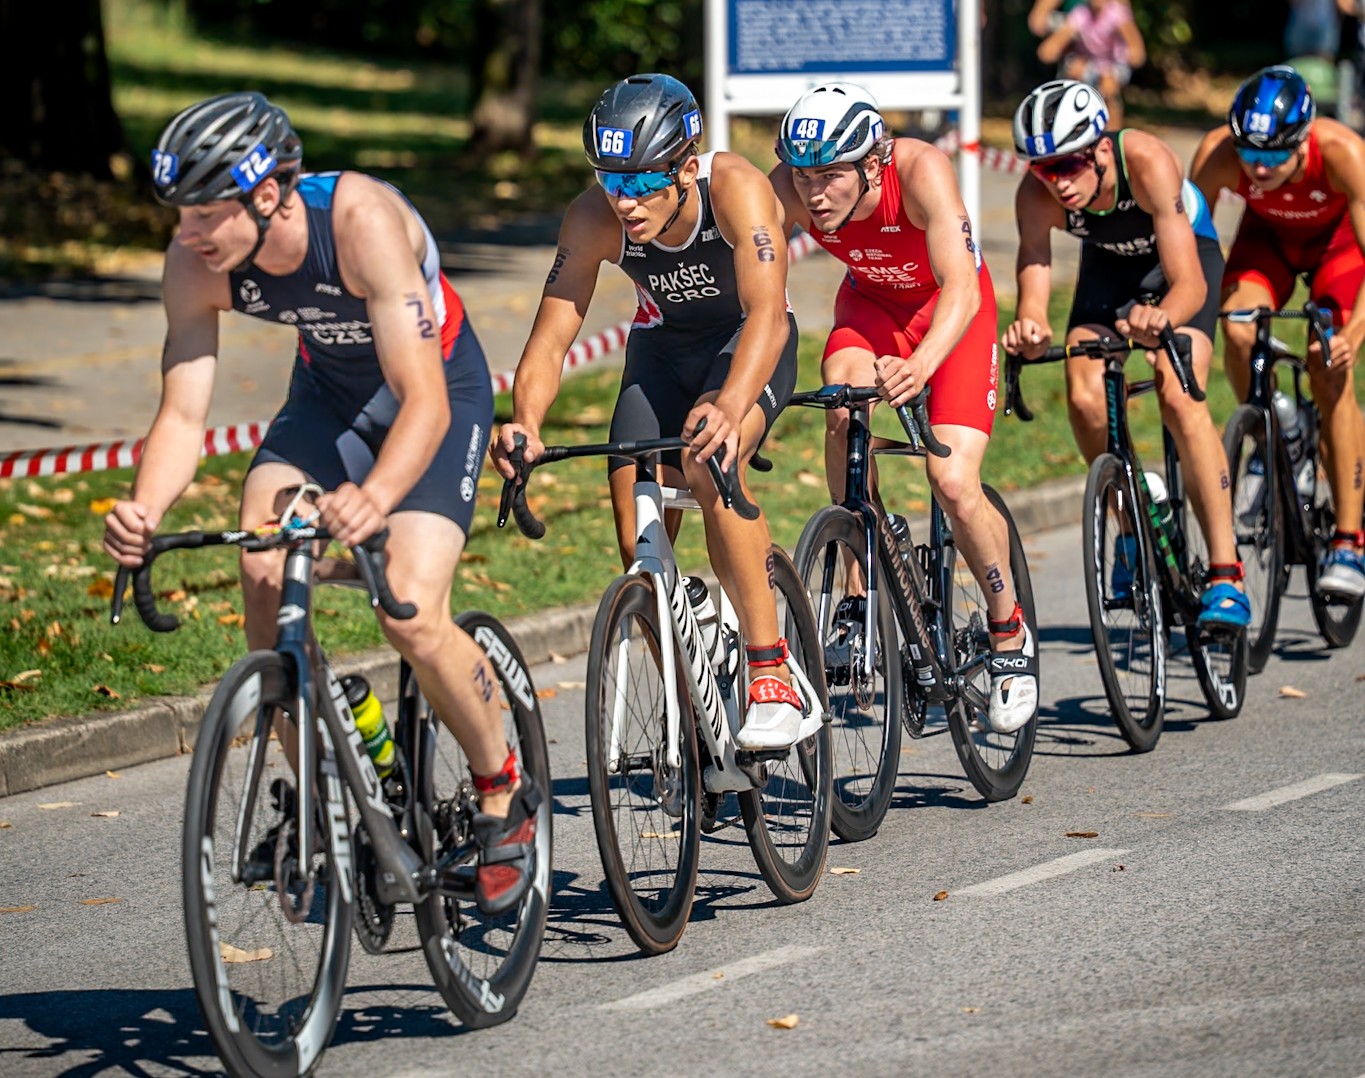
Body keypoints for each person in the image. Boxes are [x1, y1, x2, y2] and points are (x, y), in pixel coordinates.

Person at [101, 92, 538, 915]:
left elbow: (425, 402)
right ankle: (321, 799)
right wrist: (144, 511)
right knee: (263, 558)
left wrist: (373, 499)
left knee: (408, 607)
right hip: (329, 400)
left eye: (203, 212)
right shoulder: (195, 260)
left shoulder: (359, 221)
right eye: (178, 213)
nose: (188, 233)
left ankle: (498, 787)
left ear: (266, 195)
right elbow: (183, 412)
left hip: (436, 393)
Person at [490, 73, 807, 751]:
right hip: (662, 351)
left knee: (708, 460)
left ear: (686, 167)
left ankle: (769, 670)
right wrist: (527, 422)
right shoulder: (592, 216)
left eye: (640, 184)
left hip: (747, 345)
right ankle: (693, 717)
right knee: (638, 544)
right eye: (610, 180)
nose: (624, 202)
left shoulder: (736, 190)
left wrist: (728, 403)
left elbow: (765, 315)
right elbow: (551, 334)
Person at [768, 83, 1038, 736]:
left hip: (952, 315)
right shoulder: (782, 190)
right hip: (871, 310)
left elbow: (960, 288)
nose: (814, 194)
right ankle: (857, 592)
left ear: (871, 163)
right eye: (803, 176)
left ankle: (1008, 633)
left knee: (950, 479)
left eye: (831, 176)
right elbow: (755, 290)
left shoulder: (919, 171)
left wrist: (920, 366)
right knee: (841, 405)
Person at [1002, 79, 1250, 629]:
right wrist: (1031, 325)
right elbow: (1035, 275)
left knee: (1177, 389)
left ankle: (1226, 570)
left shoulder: (1148, 161)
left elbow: (1189, 283)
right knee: (1084, 393)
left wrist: (1164, 316)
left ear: (1100, 148)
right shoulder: (1035, 192)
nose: (1058, 182)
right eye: (1045, 168)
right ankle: (1134, 529)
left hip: (1183, 263)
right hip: (1109, 270)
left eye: (1069, 165)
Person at [1190, 65, 1365, 598]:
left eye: (1272, 157)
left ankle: (1350, 542)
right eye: (1249, 155)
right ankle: (1272, 436)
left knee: (1327, 365)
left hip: (1338, 247)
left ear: (1304, 140)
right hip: (1268, 241)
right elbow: (1188, 238)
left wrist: (1354, 331)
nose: (1257, 169)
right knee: (1238, 330)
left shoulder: (1343, 154)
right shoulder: (1220, 152)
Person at [1036, 0, 1146, 130]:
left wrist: (1132, 54)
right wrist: (1052, 48)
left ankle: (1112, 135)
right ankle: (1072, 130)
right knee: (1073, 75)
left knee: (1108, 88)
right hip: (1089, 62)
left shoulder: (1117, 13)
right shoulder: (1081, 13)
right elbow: (1061, 37)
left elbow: (1135, 46)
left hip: (1113, 64)